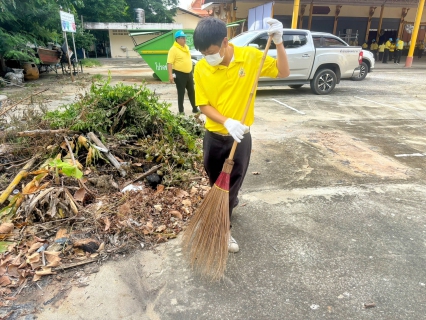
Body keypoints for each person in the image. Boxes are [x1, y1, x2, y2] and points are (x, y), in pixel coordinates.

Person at [193, 17, 290, 253]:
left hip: (240, 139)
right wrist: (227, 121)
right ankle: (225, 206)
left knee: (231, 184)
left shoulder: (250, 57)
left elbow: (283, 72)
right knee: (216, 182)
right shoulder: (202, 67)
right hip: (214, 136)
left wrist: (278, 42)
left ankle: (223, 229)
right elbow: (203, 105)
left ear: (225, 42)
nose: (209, 58)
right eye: (204, 53)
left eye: (212, 52)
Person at [167, 30, 198, 114]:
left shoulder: (186, 47)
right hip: (179, 74)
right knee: (181, 93)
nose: (185, 39)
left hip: (189, 73)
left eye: (185, 38)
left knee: (192, 91)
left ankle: (195, 108)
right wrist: (170, 75)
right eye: (183, 38)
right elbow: (169, 63)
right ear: (177, 39)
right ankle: (181, 111)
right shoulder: (173, 49)